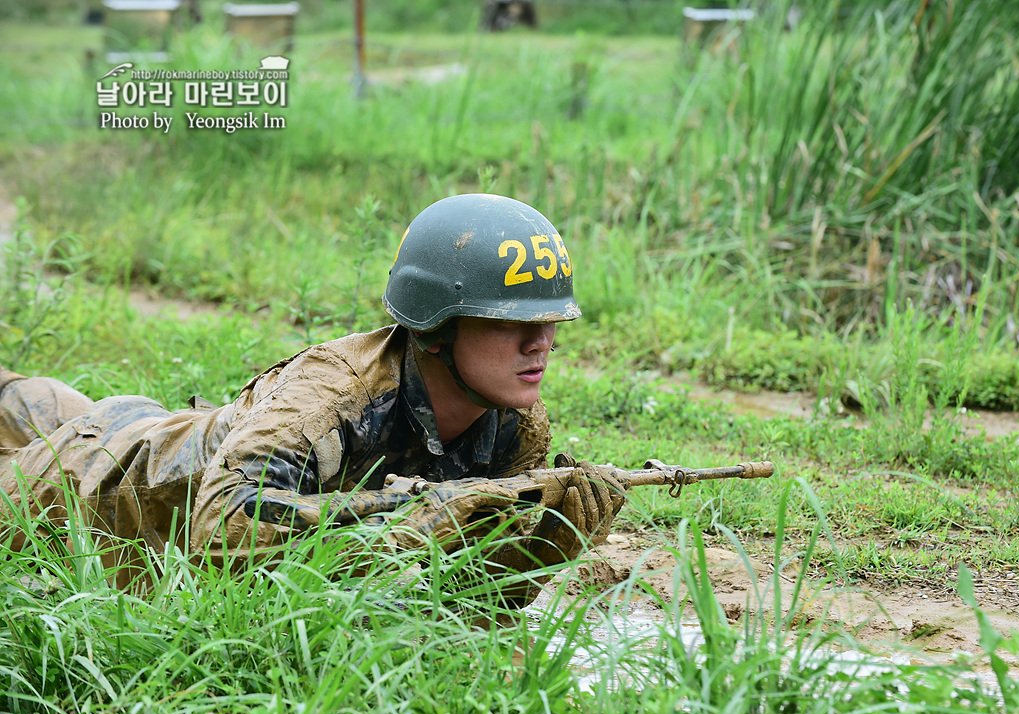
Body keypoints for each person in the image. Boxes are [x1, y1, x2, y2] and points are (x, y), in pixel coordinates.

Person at [0, 193, 624, 600]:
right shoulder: (332, 400)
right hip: (102, 487)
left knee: (61, 406)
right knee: (64, 441)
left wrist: (537, 549)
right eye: (509, 320)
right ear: (437, 324)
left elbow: (465, 601)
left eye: (550, 321)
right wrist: (398, 532)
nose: (542, 341)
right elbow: (218, 532)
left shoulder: (516, 423)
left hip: (166, 430)